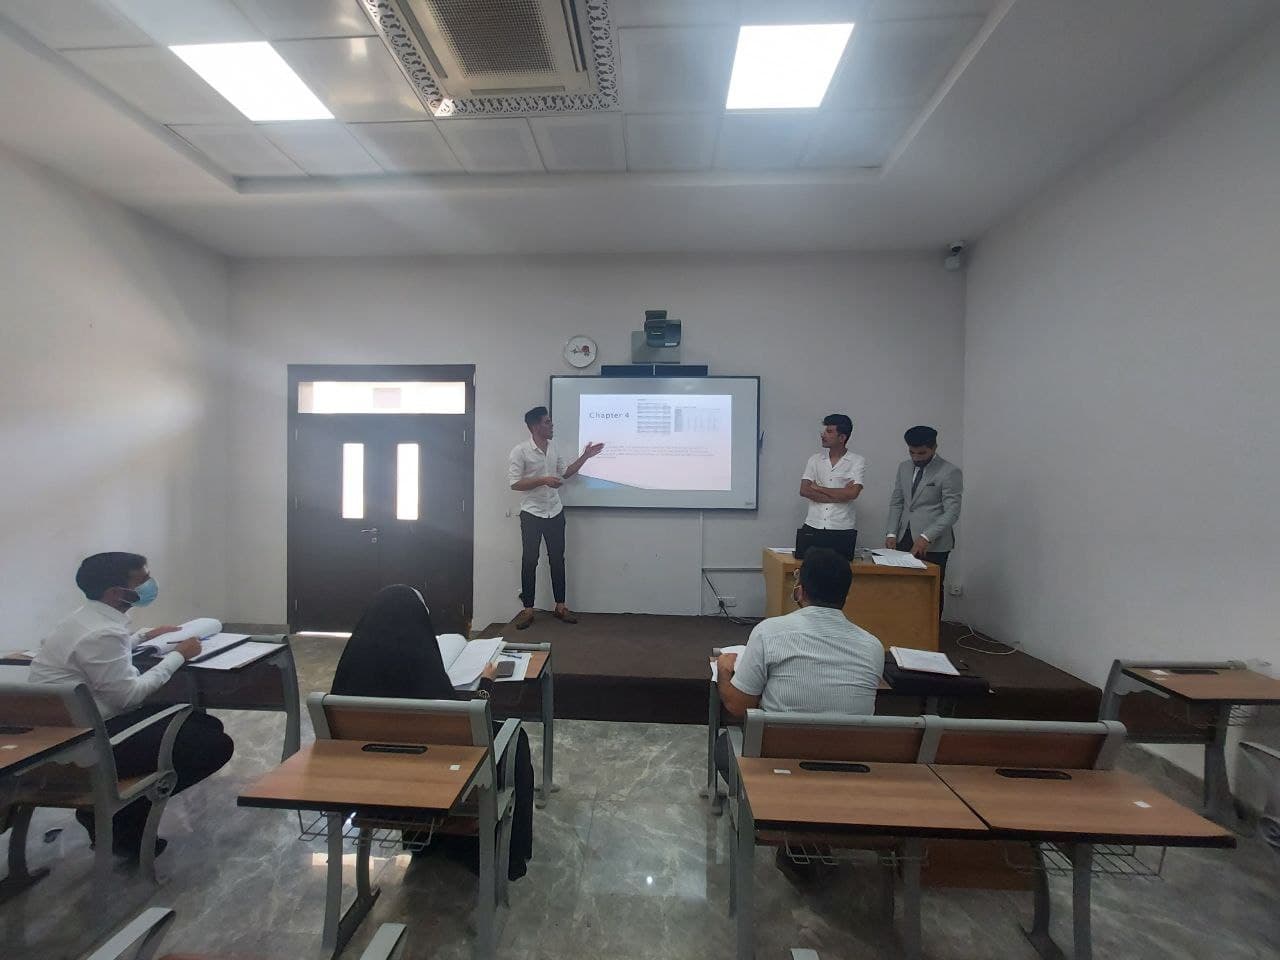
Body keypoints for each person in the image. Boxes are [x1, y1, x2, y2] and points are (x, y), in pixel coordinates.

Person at [29, 552, 234, 858]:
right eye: (143, 580)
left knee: (204, 724)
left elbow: (105, 654)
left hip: (66, 733)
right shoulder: (103, 633)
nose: (151, 585)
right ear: (116, 592)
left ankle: (121, 818)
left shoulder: (84, 619)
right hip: (90, 744)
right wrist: (179, 655)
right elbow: (130, 696)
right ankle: (124, 814)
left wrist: (143, 637)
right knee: (214, 745)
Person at [331, 584, 535, 881]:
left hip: (368, 786)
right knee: (515, 739)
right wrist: (485, 685)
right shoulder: (426, 686)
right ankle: (508, 856)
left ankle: (422, 842)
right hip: (430, 784)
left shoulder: (346, 686)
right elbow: (466, 727)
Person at [712, 547, 884, 880]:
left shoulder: (769, 632)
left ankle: (795, 830)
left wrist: (723, 670)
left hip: (780, 772)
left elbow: (737, 705)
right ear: (846, 595)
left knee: (725, 746)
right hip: (848, 773)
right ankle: (810, 838)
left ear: (800, 590)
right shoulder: (872, 646)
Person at [507, 406, 603, 630]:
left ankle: (560, 606)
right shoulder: (520, 451)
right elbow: (515, 483)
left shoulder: (554, 447)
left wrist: (586, 456)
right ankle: (528, 610)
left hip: (555, 511)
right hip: (532, 513)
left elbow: (565, 473)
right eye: (547, 422)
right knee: (530, 561)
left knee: (557, 560)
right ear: (535, 426)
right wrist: (543, 480)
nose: (552, 425)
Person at [884, 425, 963, 617]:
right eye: (912, 452)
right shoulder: (904, 467)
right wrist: (891, 533)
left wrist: (926, 536)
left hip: (934, 542)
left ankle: (931, 632)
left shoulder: (949, 471)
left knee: (930, 589)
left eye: (922, 453)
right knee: (902, 587)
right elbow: (897, 502)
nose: (916, 457)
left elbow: (952, 512)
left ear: (934, 448)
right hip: (904, 537)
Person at [797, 414, 865, 560]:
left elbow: (853, 494)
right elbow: (804, 490)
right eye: (824, 431)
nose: (823, 435)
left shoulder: (857, 461)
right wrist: (841, 495)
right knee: (806, 568)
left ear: (842, 437)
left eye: (829, 431)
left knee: (840, 570)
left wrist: (819, 488)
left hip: (841, 527)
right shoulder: (814, 460)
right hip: (813, 524)